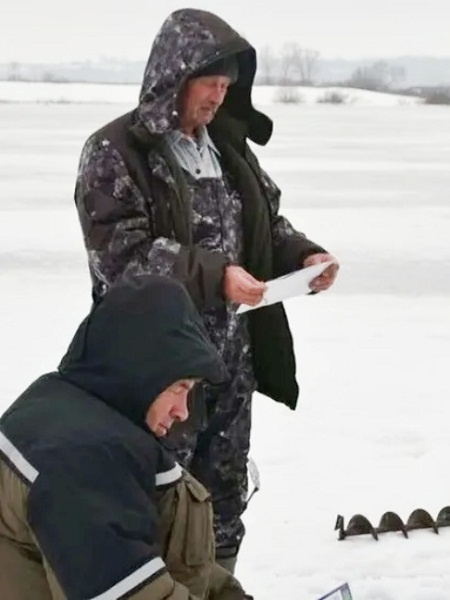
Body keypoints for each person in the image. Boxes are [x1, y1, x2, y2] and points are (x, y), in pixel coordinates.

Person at [72, 8, 339, 572]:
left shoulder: (228, 148)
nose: (218, 97)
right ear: (175, 76)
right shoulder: (116, 151)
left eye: (226, 86)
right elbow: (121, 259)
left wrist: (304, 257)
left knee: (221, 507)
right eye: (209, 83)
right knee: (156, 503)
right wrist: (216, 275)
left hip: (228, 372)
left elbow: (268, 223)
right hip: (156, 376)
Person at [0, 274, 252, 599]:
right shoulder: (80, 458)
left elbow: (143, 549)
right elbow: (126, 590)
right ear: (141, 370)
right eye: (179, 388)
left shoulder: (80, 416)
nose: (182, 411)